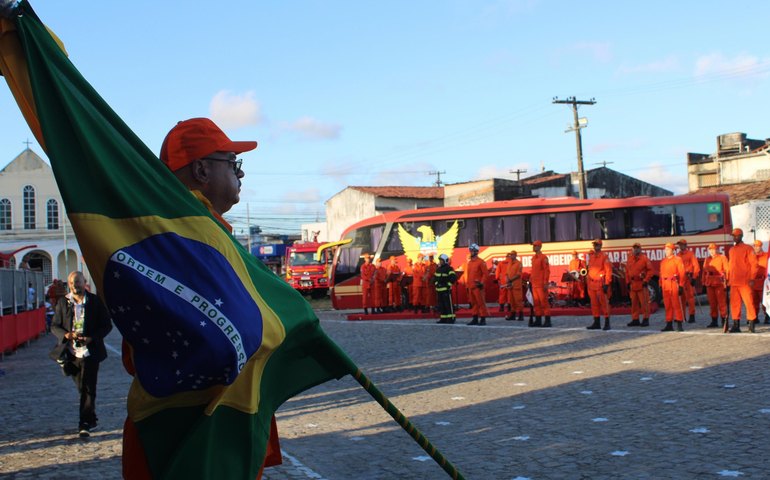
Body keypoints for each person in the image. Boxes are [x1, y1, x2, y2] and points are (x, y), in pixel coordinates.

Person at [122, 117, 281, 477]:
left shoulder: (179, 233)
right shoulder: (189, 239)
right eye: (233, 163)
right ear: (201, 170)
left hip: (194, 423)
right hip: (191, 429)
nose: (240, 175)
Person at [49, 271, 112, 437]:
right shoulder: (64, 302)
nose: (74, 286)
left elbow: (106, 325)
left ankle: (84, 424)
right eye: (71, 283)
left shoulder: (95, 302)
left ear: (84, 282)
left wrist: (91, 338)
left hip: (90, 352)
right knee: (82, 388)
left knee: (88, 387)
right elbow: (54, 326)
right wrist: (67, 335)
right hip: (71, 353)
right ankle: (91, 417)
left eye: (77, 282)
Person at [726, 228, 758, 333]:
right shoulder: (731, 250)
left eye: (736, 236)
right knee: (735, 304)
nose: (734, 238)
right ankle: (736, 325)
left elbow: (754, 264)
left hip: (745, 282)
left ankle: (752, 324)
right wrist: (727, 279)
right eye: (733, 236)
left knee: (749, 302)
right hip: (734, 282)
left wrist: (752, 278)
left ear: (741, 236)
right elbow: (730, 266)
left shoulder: (748, 248)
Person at [586, 239, 612, 330]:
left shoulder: (604, 256)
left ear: (600, 246)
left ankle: (607, 323)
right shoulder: (592, 256)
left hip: (600, 284)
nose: (595, 246)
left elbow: (608, 270)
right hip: (592, 284)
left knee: (604, 304)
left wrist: (607, 283)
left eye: (597, 245)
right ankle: (596, 322)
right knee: (594, 304)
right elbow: (590, 269)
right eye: (594, 245)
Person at [660, 243, 686, 332]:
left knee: (676, 304)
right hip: (665, 285)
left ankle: (679, 323)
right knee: (667, 305)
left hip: (674, 284)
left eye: (668, 249)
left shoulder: (678, 260)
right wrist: (660, 285)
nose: (666, 251)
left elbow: (682, 273)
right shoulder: (663, 261)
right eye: (665, 249)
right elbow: (661, 274)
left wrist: (681, 285)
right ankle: (669, 323)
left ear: (672, 250)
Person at [625, 243, 653, 327]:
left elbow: (650, 271)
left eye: (637, 248)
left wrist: (646, 280)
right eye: (634, 248)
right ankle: (635, 319)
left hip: (641, 283)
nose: (636, 249)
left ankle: (645, 319)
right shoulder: (630, 259)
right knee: (634, 303)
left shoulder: (644, 259)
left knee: (644, 303)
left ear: (640, 249)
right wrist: (627, 282)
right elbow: (627, 271)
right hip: (633, 284)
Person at [702, 243, 729, 329]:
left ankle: (724, 320)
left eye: (713, 249)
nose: (712, 251)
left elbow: (727, 270)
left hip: (719, 282)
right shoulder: (707, 259)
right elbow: (704, 271)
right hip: (709, 282)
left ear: (717, 249)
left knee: (722, 302)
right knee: (712, 303)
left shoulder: (722, 258)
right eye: (710, 250)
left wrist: (727, 281)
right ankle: (714, 320)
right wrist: (703, 281)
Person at [464, 243, 489, 325]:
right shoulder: (470, 262)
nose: (470, 252)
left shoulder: (481, 262)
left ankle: (483, 319)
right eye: (470, 250)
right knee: (473, 303)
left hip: (478, 287)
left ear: (476, 251)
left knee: (481, 303)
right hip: (471, 287)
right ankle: (475, 318)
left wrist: (481, 283)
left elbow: (485, 274)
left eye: (472, 251)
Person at [676, 239, 701, 323]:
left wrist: (694, 277)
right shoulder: (678, 255)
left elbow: (696, 266)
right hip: (681, 279)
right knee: (681, 298)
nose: (680, 246)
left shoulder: (690, 254)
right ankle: (682, 316)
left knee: (690, 298)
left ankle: (692, 315)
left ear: (685, 245)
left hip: (688, 278)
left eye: (682, 245)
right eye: (679, 245)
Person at [529, 240, 551, 327]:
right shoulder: (534, 258)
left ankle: (547, 321)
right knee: (536, 303)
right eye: (533, 246)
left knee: (544, 302)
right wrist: (530, 280)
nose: (533, 247)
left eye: (535, 246)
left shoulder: (543, 258)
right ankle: (538, 320)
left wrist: (545, 282)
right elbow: (534, 271)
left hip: (541, 284)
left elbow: (547, 271)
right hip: (534, 284)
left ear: (539, 247)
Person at [434, 254, 457, 323]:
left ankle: (451, 318)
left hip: (446, 290)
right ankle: (443, 318)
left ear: (445, 261)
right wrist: (436, 284)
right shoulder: (438, 269)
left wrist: (448, 285)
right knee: (441, 305)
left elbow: (453, 277)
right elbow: (435, 278)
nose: (440, 262)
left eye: (441, 260)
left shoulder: (449, 268)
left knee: (448, 304)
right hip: (439, 290)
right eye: (440, 260)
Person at [751, 240, 769, 324]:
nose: (756, 247)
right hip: (753, 282)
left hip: (763, 282)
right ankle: (754, 317)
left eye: (757, 246)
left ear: (761, 246)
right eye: (754, 246)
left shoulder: (766, 256)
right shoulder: (751, 257)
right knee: (754, 301)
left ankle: (767, 316)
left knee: (765, 300)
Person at [504, 251, 524, 322]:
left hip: (516, 285)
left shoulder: (519, 264)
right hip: (510, 286)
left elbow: (519, 274)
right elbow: (507, 273)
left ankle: (521, 315)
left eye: (512, 255)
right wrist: (506, 279)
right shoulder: (509, 263)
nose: (511, 256)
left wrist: (510, 280)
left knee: (518, 301)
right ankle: (513, 315)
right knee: (511, 301)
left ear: (515, 255)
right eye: (510, 255)